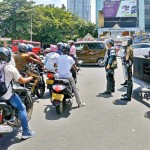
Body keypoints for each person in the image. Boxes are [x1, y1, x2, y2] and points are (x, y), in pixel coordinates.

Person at [0, 47, 35, 139]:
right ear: (8, 57)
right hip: (5, 94)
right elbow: (22, 81)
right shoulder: (10, 67)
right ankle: (26, 132)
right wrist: (30, 78)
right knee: (22, 108)